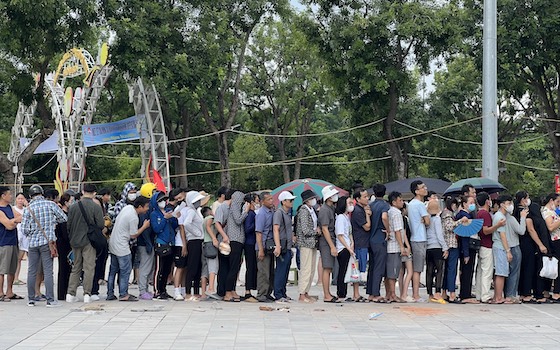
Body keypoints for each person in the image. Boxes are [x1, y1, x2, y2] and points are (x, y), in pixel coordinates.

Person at [22, 184, 67, 307]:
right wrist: (52, 222)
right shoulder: (50, 204)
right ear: (42, 193)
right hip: (48, 243)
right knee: (48, 271)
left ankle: (31, 299)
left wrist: (33, 232)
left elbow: (24, 230)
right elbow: (64, 218)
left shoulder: (28, 208)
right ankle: (50, 300)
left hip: (33, 244)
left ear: (30, 195)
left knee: (32, 271)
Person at [65, 184, 105, 303]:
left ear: (82, 191)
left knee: (76, 267)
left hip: (75, 241)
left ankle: (70, 293)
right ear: (94, 193)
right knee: (89, 268)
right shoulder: (96, 207)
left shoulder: (73, 207)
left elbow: (69, 225)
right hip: (89, 241)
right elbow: (100, 225)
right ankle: (87, 293)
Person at [107, 196, 151, 301]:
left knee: (113, 271)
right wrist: (144, 226)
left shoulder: (127, 208)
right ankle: (123, 294)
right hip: (122, 246)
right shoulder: (133, 217)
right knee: (125, 271)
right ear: (140, 207)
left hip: (113, 242)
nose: (147, 209)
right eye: (146, 207)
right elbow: (133, 235)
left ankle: (110, 293)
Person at [492, 194, 527, 304]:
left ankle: (501, 296)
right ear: (502, 205)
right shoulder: (505, 218)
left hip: (504, 247)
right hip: (507, 247)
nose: (511, 205)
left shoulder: (499, 216)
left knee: (504, 273)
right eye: (508, 203)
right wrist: (523, 218)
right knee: (508, 273)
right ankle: (507, 296)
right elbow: (520, 231)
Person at [475, 192, 506, 303]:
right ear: (487, 201)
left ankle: (479, 294)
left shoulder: (478, 213)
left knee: (480, 271)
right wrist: (497, 225)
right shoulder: (485, 214)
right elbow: (486, 230)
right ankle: (485, 295)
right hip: (487, 245)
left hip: (481, 245)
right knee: (487, 272)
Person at [151, 191, 178, 300]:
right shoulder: (154, 214)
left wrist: (173, 217)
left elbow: (175, 225)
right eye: (160, 200)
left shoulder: (168, 210)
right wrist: (164, 218)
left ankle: (163, 289)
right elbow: (156, 229)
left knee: (167, 269)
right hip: (161, 242)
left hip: (171, 242)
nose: (163, 202)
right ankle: (157, 290)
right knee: (159, 268)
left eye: (164, 200)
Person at [222, 190, 248, 302]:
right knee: (233, 268)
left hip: (238, 240)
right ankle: (227, 292)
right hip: (234, 240)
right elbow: (238, 220)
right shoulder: (235, 207)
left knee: (236, 267)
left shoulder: (236, 207)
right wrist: (246, 212)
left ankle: (232, 290)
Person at [335, 196, 362, 302]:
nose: (351, 204)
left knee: (346, 271)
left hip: (349, 247)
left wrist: (352, 243)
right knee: (342, 271)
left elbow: (349, 233)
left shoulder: (347, 217)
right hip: (343, 248)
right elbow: (340, 235)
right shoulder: (340, 218)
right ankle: (341, 293)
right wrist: (348, 247)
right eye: (349, 203)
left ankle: (344, 293)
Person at [295, 190, 320, 303]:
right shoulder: (304, 211)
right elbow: (305, 230)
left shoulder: (312, 210)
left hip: (312, 243)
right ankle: (301, 293)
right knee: (306, 269)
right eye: (312, 198)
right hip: (306, 243)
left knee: (311, 269)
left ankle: (306, 292)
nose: (314, 200)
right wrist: (316, 232)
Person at [454, 195, 479, 304]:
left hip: (466, 247)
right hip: (467, 247)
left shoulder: (465, 214)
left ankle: (465, 293)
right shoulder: (464, 216)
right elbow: (464, 236)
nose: (472, 204)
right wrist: (466, 253)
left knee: (466, 270)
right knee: (467, 270)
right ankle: (465, 294)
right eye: (470, 202)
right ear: (464, 204)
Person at [366, 184, 389, 303]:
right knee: (379, 267)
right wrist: (388, 230)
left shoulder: (370, 205)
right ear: (384, 193)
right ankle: (376, 293)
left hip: (371, 238)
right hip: (380, 238)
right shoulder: (385, 205)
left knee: (372, 266)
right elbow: (384, 217)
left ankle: (370, 292)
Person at [407, 180, 430, 303]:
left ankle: (415, 293)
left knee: (417, 267)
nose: (425, 189)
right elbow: (427, 221)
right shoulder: (420, 204)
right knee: (418, 268)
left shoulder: (411, 204)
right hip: (420, 238)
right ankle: (416, 295)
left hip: (415, 238)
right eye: (422, 187)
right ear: (416, 191)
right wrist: (426, 218)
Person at [182, 190, 206, 301]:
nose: (199, 202)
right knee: (192, 267)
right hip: (193, 241)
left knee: (198, 267)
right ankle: (187, 293)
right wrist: (197, 233)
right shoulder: (191, 211)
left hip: (199, 241)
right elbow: (186, 223)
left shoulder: (197, 211)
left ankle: (196, 291)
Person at [0, 186, 22, 301]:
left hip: (13, 241)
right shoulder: (0, 210)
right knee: (2, 269)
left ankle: (10, 291)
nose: (11, 196)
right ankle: (0, 292)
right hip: (3, 243)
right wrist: (13, 221)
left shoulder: (9, 207)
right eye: (9, 194)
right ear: (3, 196)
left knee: (12, 268)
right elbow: (8, 226)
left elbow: (20, 217)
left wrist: (12, 221)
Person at [273, 191, 295, 303]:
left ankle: (283, 292)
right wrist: (278, 246)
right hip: (281, 245)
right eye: (290, 200)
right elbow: (276, 229)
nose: (292, 202)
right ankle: (277, 294)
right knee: (280, 270)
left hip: (287, 246)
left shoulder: (287, 213)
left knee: (285, 270)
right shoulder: (279, 213)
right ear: (283, 201)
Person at [318, 185, 340, 302]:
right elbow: (325, 229)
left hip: (331, 240)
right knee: (327, 268)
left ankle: (328, 293)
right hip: (327, 242)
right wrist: (332, 246)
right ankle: (326, 295)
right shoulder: (325, 210)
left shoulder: (331, 208)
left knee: (329, 268)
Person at [425, 198, 448, 304]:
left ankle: (429, 294)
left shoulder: (427, 219)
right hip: (437, 247)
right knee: (439, 271)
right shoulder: (437, 219)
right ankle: (437, 293)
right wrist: (445, 247)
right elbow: (439, 235)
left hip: (428, 247)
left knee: (429, 271)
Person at [255, 192, 275, 302]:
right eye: (269, 199)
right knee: (263, 272)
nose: (272, 201)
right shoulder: (261, 213)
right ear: (263, 201)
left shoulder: (272, 212)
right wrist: (261, 249)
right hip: (262, 245)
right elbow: (259, 232)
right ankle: (261, 294)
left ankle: (268, 292)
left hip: (270, 246)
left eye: (272, 199)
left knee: (271, 271)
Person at [386, 192, 405, 303]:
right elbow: (398, 231)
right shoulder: (396, 213)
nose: (402, 202)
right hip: (394, 246)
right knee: (393, 271)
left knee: (391, 271)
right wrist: (401, 246)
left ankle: (390, 293)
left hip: (391, 245)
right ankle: (393, 294)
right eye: (400, 200)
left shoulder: (390, 212)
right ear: (394, 202)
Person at [541, 193, 560, 302]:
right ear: (551, 201)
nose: (558, 205)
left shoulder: (553, 212)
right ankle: (556, 292)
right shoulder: (547, 212)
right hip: (555, 240)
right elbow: (551, 227)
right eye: (557, 202)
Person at [351, 188, 371, 284]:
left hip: (363, 241)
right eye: (365, 197)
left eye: (367, 196)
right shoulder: (358, 211)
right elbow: (367, 226)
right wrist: (367, 215)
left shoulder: (362, 209)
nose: (367, 198)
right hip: (360, 242)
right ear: (358, 199)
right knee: (359, 265)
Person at [55, 193, 73, 300]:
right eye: (71, 201)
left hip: (67, 244)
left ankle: (66, 291)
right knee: (63, 269)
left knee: (68, 269)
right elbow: (63, 232)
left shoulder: (69, 213)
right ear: (66, 202)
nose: (72, 202)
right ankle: (61, 293)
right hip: (63, 244)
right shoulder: (62, 214)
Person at [242, 193, 259, 302]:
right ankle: (247, 291)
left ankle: (252, 288)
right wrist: (257, 223)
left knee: (253, 267)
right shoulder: (250, 214)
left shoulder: (253, 214)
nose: (258, 203)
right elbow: (247, 229)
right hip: (249, 243)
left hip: (253, 243)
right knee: (250, 267)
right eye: (257, 200)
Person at [201, 206, 220, 300]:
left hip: (204, 244)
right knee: (213, 266)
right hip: (210, 244)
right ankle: (211, 288)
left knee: (205, 268)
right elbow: (209, 227)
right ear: (209, 212)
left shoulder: (203, 220)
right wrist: (214, 238)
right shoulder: (210, 218)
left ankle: (203, 293)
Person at [398, 203, 413, 301]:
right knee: (410, 271)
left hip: (398, 247)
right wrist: (407, 246)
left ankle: (401, 293)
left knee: (401, 272)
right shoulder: (403, 219)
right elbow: (404, 234)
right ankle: (404, 294)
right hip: (405, 247)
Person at [13, 192, 27, 286]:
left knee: (21, 258)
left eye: (22, 199)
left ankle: (17, 278)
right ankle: (15, 278)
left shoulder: (26, 210)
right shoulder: (13, 209)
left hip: (26, 236)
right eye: (19, 198)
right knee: (16, 258)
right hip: (16, 235)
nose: (20, 200)